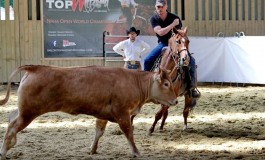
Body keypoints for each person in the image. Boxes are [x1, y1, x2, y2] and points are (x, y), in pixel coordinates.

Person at [144, 0, 199, 98]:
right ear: (155, 7)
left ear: (166, 7)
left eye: (161, 7)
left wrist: (178, 40)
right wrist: (173, 24)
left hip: (176, 44)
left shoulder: (174, 17)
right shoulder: (154, 18)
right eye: (158, 7)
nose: (159, 9)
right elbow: (160, 32)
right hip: (163, 43)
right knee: (147, 60)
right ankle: (145, 85)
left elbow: (180, 33)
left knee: (191, 61)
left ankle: (192, 87)